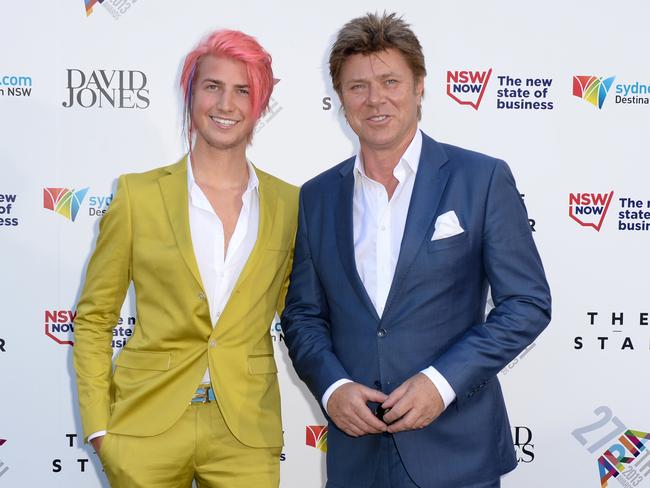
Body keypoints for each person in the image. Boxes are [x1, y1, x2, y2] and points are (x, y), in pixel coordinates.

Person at [281, 12, 551, 488]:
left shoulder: (481, 179)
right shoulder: (317, 196)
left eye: (390, 81)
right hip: (356, 456)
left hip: (458, 451)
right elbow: (303, 315)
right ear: (340, 99)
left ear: (420, 86)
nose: (375, 98)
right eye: (357, 86)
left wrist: (441, 382)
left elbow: (526, 304)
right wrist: (332, 387)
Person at [73, 29, 297, 488]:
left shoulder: (290, 204)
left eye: (244, 91)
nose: (226, 104)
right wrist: (99, 427)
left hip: (246, 433)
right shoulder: (137, 196)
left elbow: (303, 317)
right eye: (213, 86)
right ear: (190, 93)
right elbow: (95, 318)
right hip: (145, 427)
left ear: (260, 105)